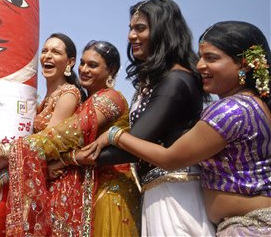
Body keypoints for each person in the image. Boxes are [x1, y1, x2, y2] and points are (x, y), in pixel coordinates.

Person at [87, 21, 271, 235]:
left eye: (212, 58)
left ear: (245, 64)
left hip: (248, 229)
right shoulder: (256, 105)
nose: (201, 65)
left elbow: (170, 158)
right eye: (201, 57)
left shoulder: (231, 110)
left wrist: (115, 135)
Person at [77, 0, 216, 236]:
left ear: (163, 31)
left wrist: (73, 157)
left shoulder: (176, 81)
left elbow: (132, 147)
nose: (131, 36)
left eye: (140, 28)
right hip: (160, 190)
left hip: (176, 195)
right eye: (131, 28)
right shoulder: (163, 80)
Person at [6, 40, 140, 236]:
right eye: (83, 63)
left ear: (111, 70)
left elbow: (67, 135)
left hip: (110, 192)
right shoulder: (86, 101)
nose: (84, 69)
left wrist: (10, 150)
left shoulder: (111, 98)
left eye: (92, 65)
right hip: (88, 189)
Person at [0, 33, 85, 218]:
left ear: (70, 62)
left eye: (55, 52)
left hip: (58, 187)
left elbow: (43, 147)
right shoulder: (43, 100)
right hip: (38, 182)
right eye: (44, 51)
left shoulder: (68, 95)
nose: (47, 56)